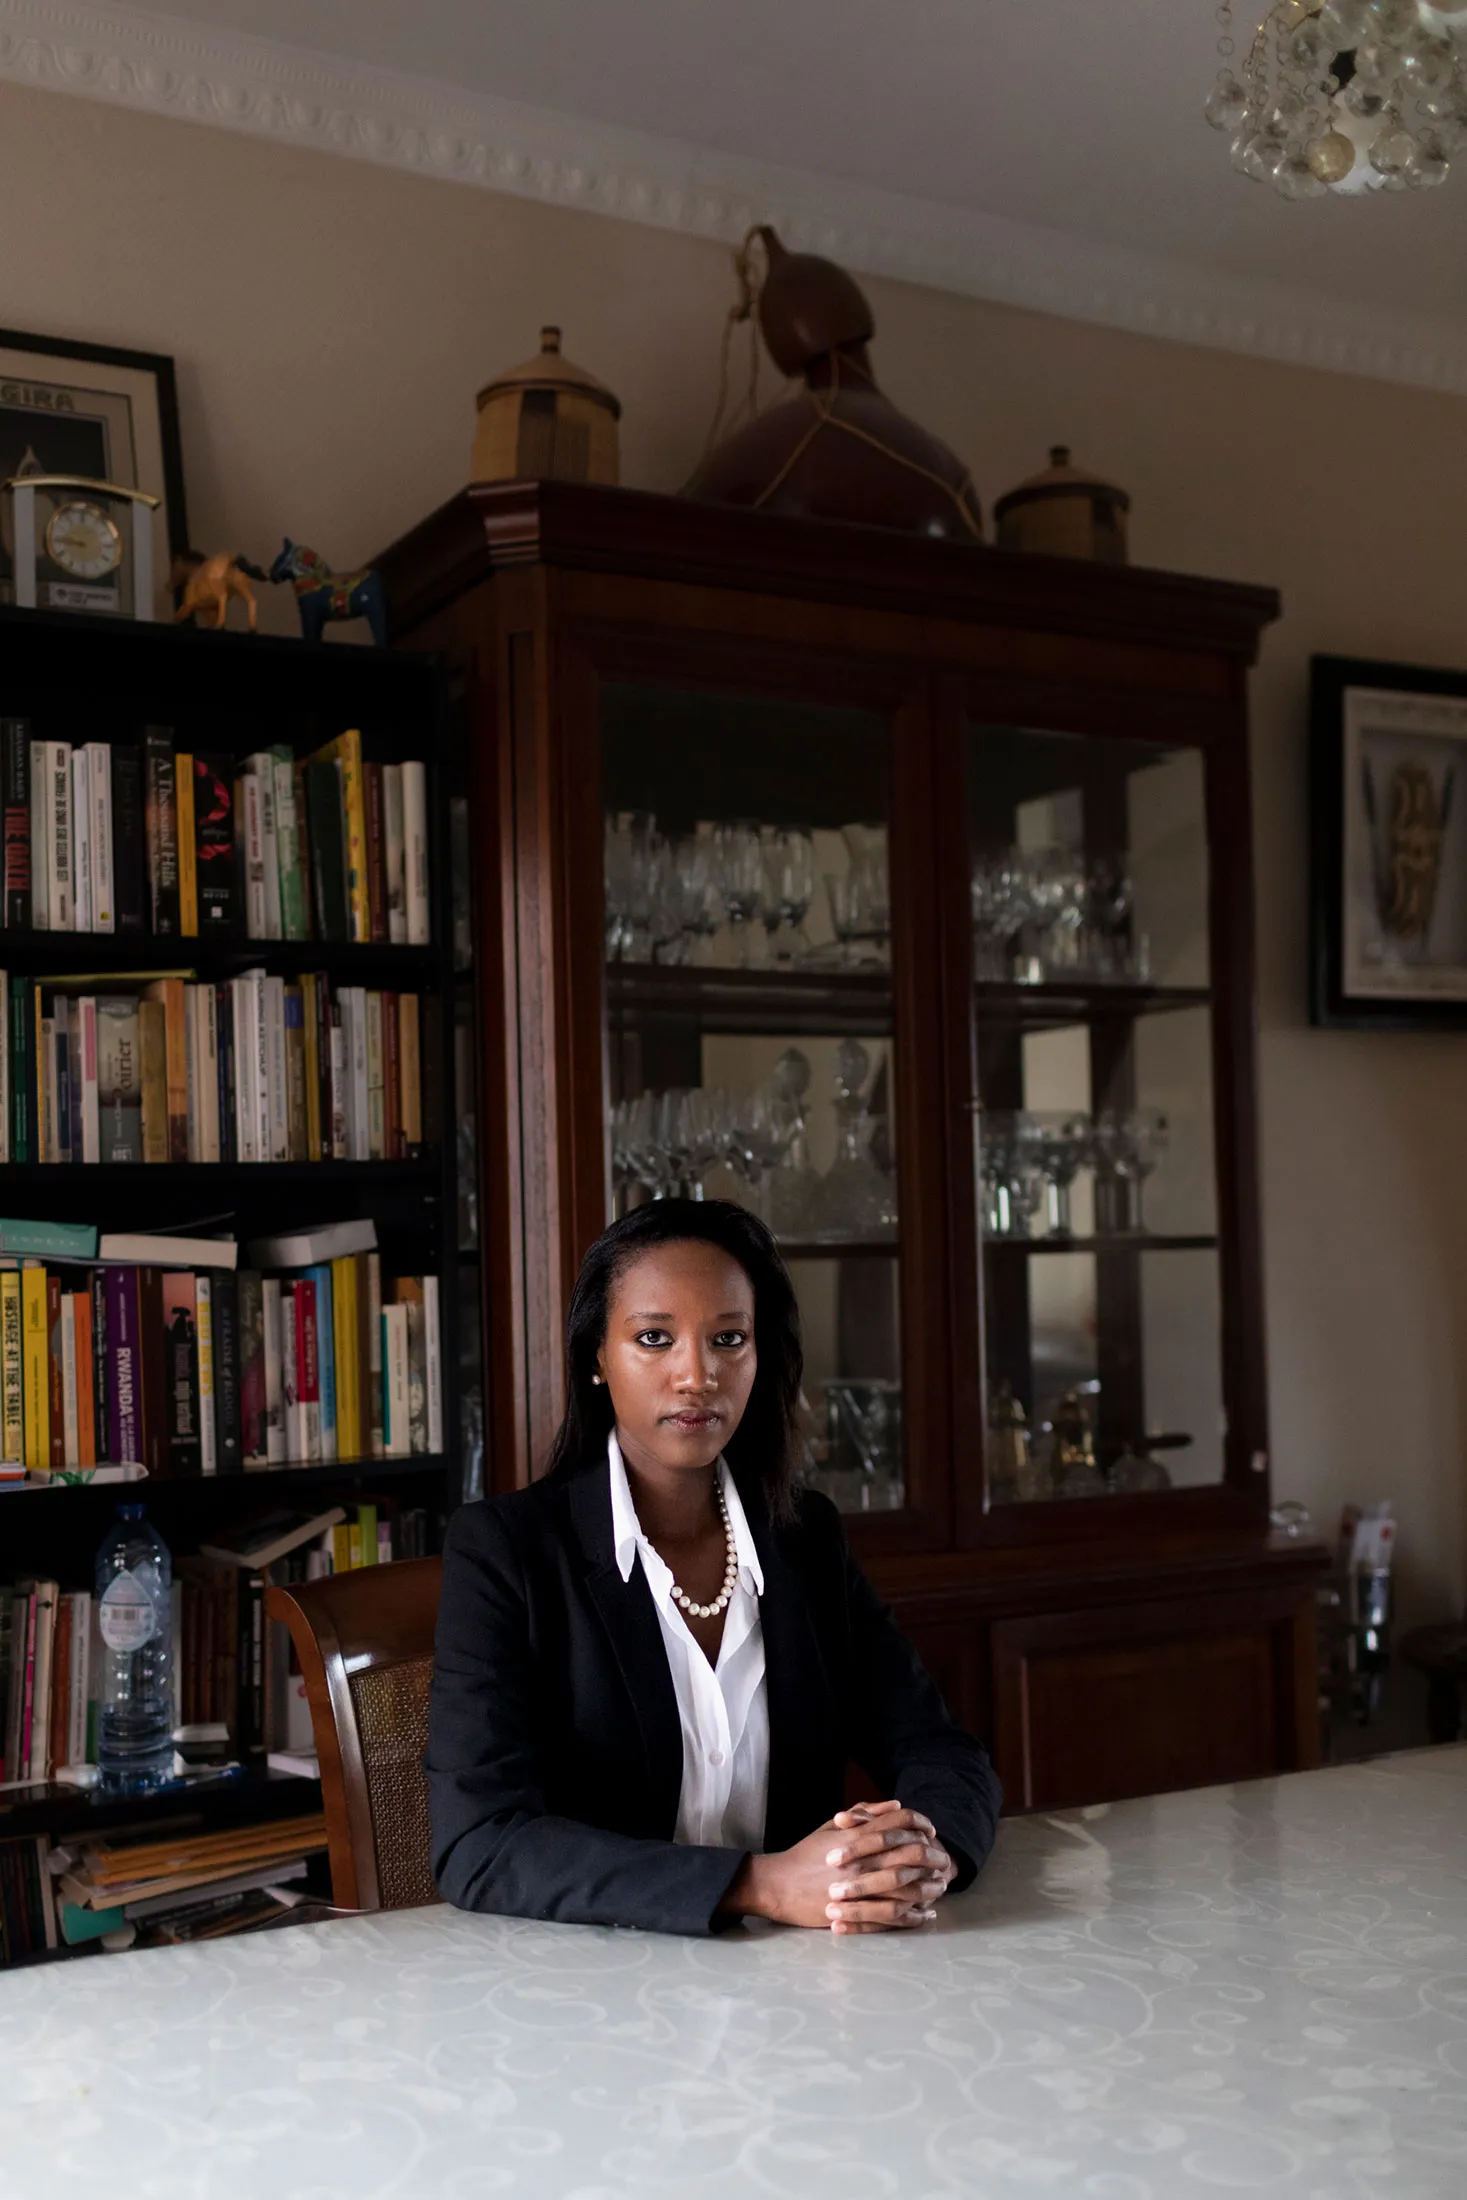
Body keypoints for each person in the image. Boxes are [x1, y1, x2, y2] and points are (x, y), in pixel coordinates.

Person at [427, 1198, 1000, 1935]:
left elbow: (935, 1746)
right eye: (654, 1338)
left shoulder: (803, 1536)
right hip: (588, 1989)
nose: (696, 1375)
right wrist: (756, 1885)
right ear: (597, 1357)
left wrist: (924, 1853)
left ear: (761, 1356)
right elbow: (480, 1842)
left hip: (793, 1975)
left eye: (728, 1338)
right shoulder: (506, 1551)